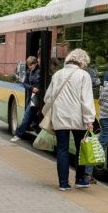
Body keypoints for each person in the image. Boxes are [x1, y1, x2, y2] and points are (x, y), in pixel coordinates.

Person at [43, 48, 96, 191]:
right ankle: (80, 180)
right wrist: (89, 119)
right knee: (81, 148)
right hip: (78, 118)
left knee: (62, 149)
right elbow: (86, 99)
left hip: (59, 116)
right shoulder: (84, 75)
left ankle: (63, 183)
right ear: (82, 61)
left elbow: (47, 97)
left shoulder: (57, 74)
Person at [10, 56, 41, 142]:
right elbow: (25, 83)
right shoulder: (29, 72)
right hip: (32, 97)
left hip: (38, 97)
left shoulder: (40, 72)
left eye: (31, 65)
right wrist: (32, 88)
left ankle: (19, 134)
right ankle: (19, 134)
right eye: (28, 65)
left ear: (36, 63)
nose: (30, 67)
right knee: (27, 116)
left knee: (28, 116)